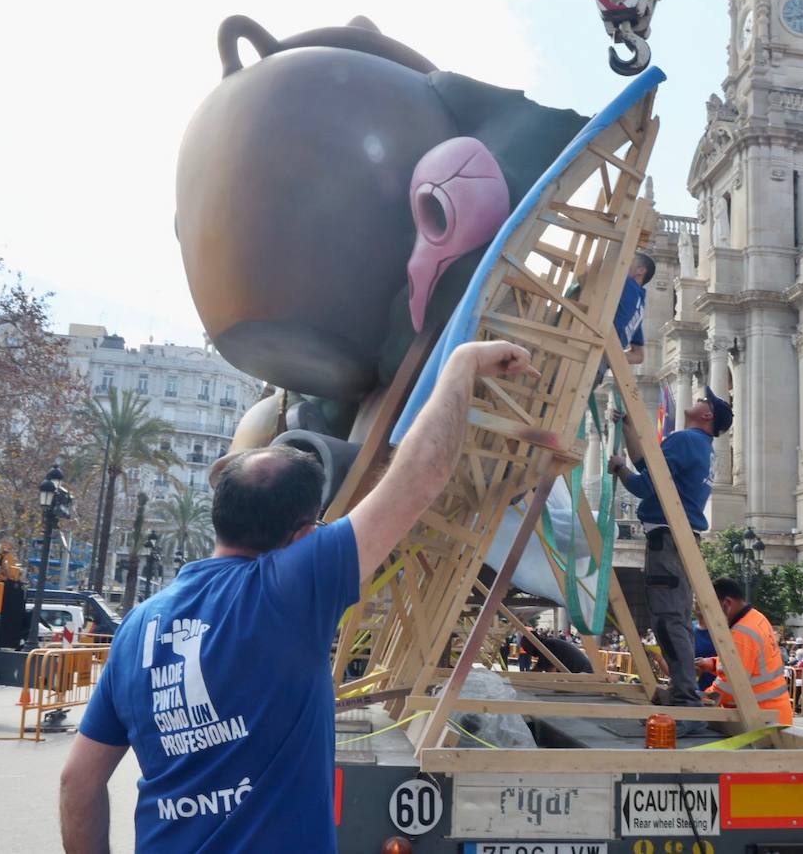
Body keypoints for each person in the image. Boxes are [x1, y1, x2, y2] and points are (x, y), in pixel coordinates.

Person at [57, 340, 537, 852]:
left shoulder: (137, 627)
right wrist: (461, 362)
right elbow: (422, 475)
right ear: (304, 539)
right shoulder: (287, 589)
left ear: (218, 514)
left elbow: (77, 783)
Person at [608, 387, 732, 723]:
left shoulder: (685, 440)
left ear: (707, 416)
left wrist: (619, 469)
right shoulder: (701, 447)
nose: (697, 400)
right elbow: (649, 466)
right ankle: (683, 689)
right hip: (681, 537)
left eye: (703, 400)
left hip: (667, 536)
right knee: (673, 615)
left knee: (668, 617)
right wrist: (630, 430)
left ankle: (684, 695)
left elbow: (645, 485)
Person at [694, 577, 794, 726]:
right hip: (773, 714)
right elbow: (749, 665)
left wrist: (699, 699)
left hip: (761, 720)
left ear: (727, 603)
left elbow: (728, 688)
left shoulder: (741, 633)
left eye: (710, 611)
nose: (709, 619)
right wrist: (712, 664)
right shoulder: (756, 618)